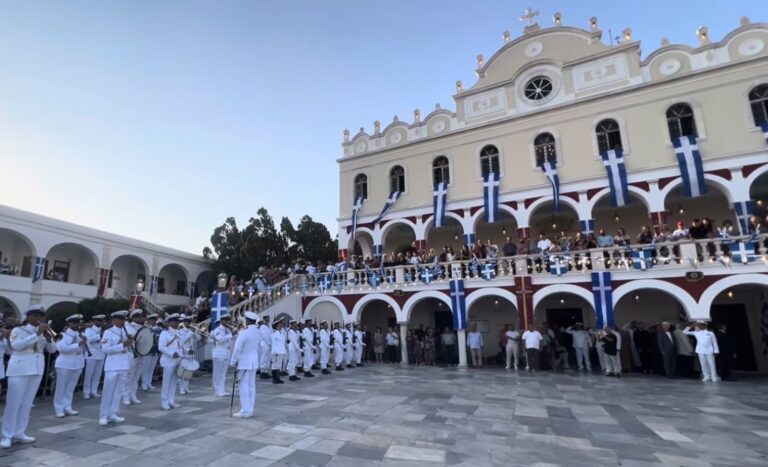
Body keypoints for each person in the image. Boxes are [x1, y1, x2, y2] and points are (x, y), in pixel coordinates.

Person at [1, 305, 56, 448]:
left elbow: (52, 350)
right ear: (29, 316)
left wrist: (49, 339)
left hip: (36, 370)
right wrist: (36, 334)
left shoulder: (43, 332)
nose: (38, 319)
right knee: (13, 404)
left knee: (26, 404)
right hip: (19, 369)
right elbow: (16, 346)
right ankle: (7, 435)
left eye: (40, 316)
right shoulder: (18, 330)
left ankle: (20, 432)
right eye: (36, 315)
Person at [98, 310, 133, 426]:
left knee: (118, 392)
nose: (122, 321)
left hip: (123, 364)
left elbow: (128, 348)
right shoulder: (108, 332)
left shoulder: (125, 331)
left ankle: (113, 413)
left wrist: (129, 343)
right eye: (120, 319)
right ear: (114, 320)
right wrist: (122, 345)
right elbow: (105, 349)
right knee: (108, 391)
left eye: (123, 319)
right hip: (112, 365)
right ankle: (103, 415)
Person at [54, 314, 87, 418]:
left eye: (78, 322)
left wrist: (85, 344)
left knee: (70, 388)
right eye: (74, 322)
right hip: (65, 364)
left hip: (77, 363)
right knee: (61, 388)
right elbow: (61, 348)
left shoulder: (80, 335)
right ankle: (59, 409)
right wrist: (78, 345)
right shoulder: (62, 335)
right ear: (69, 323)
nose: (76, 324)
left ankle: (67, 407)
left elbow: (85, 349)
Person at [229, 311, 260, 418]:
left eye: (245, 319)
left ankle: (245, 410)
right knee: (252, 386)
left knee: (243, 386)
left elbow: (238, 348)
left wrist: (233, 361)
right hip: (254, 362)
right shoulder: (257, 331)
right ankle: (250, 409)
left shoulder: (244, 332)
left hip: (245, 362)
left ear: (248, 320)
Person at [158, 314, 183, 410]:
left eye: (177, 321)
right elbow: (161, 347)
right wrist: (172, 353)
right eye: (174, 321)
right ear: (169, 322)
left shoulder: (178, 333)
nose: (176, 323)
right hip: (168, 361)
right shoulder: (164, 334)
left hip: (177, 361)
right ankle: (164, 402)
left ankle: (171, 400)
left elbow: (180, 346)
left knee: (174, 382)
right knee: (166, 382)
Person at [122, 309, 144, 406]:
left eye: (140, 316)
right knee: (129, 375)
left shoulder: (142, 327)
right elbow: (129, 339)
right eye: (137, 316)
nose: (140, 318)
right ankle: (125, 396)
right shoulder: (128, 327)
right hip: (131, 354)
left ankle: (133, 395)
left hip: (140, 354)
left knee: (136, 376)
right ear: (133, 317)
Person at [83, 314, 106, 399]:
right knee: (89, 374)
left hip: (101, 354)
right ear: (94, 321)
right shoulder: (89, 330)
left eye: (101, 321)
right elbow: (88, 340)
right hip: (92, 354)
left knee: (97, 374)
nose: (100, 322)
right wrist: (99, 336)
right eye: (98, 320)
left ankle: (94, 391)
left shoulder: (104, 331)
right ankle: (86, 392)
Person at [210, 314, 233, 396]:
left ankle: (222, 390)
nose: (227, 322)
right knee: (217, 374)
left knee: (223, 374)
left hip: (226, 353)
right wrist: (230, 335)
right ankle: (217, 390)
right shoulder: (217, 330)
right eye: (225, 320)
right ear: (221, 321)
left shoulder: (228, 330)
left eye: (228, 320)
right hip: (219, 354)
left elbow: (229, 340)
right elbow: (220, 340)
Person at [140, 314, 160, 391]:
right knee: (145, 368)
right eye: (152, 319)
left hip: (155, 350)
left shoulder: (158, 329)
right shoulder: (145, 328)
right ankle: (144, 384)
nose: (153, 321)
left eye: (154, 320)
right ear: (148, 320)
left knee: (151, 368)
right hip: (147, 350)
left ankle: (149, 383)